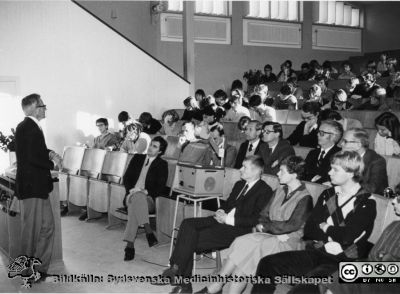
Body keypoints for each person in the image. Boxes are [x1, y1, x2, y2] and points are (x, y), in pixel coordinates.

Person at [252, 151, 377, 294]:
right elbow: (310, 229)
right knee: (268, 263)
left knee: (304, 289)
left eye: (335, 169)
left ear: (350, 173)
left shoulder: (366, 202)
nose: (329, 172)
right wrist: (332, 234)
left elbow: (347, 237)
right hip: (317, 251)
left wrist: (324, 226)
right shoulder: (328, 194)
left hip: (341, 262)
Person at [196, 156, 313, 294]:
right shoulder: (279, 191)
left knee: (251, 251)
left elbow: (291, 225)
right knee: (241, 242)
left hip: (289, 241)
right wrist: (268, 227)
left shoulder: (305, 198)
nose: (277, 174)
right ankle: (217, 285)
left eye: (282, 171)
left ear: (294, 175)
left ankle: (216, 287)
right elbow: (263, 215)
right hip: (270, 235)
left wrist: (269, 227)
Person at [158, 156, 273, 294]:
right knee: (187, 224)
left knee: (190, 240)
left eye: (244, 167)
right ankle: (177, 271)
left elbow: (255, 219)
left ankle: (180, 277)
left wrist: (228, 220)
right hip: (221, 219)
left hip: (238, 229)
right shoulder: (239, 184)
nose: (240, 170)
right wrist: (220, 211)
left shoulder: (265, 190)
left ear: (256, 171)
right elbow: (228, 204)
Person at [15, 93, 63, 281]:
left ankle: (40, 269)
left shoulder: (30, 127)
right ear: (34, 106)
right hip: (32, 187)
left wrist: (50, 153)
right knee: (31, 232)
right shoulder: (28, 127)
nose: (45, 108)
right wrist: (54, 165)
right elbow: (32, 157)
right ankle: (26, 271)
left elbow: (35, 150)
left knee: (47, 227)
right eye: (43, 105)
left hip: (39, 187)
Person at [322, 182, 400, 294]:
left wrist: (385, 259)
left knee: (345, 277)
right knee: (339, 274)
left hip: (392, 281)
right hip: (379, 271)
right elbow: (373, 255)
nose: (393, 201)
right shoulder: (394, 225)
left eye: (398, 199)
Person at [121, 136, 168, 261]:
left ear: (160, 151)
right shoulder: (137, 158)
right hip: (131, 195)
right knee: (136, 199)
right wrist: (131, 190)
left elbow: (161, 186)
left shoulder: (162, 164)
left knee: (138, 199)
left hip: (149, 199)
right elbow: (126, 178)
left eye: (155, 146)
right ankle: (148, 230)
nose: (151, 148)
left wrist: (145, 191)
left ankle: (130, 246)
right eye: (151, 144)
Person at [341, 128, 388, 195]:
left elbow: (372, 188)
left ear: (358, 145)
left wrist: (343, 184)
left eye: (345, 141)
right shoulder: (341, 155)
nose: (341, 144)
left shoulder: (377, 161)